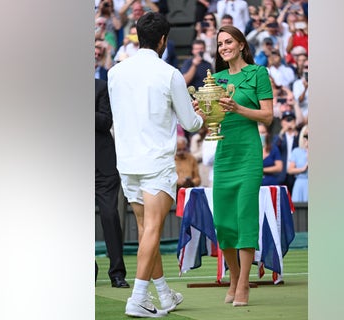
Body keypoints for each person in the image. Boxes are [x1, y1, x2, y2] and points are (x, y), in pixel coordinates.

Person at [107, 12, 206, 318]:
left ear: (138, 36)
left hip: (126, 162)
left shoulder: (114, 72)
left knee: (145, 228)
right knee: (151, 229)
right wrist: (200, 114)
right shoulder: (170, 74)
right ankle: (137, 299)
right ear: (163, 40)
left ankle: (164, 295)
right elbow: (190, 123)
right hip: (156, 164)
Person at [195, 25, 273, 307]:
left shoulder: (258, 73)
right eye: (220, 44)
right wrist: (202, 113)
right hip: (224, 154)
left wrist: (238, 108)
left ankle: (242, 285)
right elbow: (211, 123)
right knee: (224, 222)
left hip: (249, 154)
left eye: (228, 42)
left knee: (245, 217)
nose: (224, 47)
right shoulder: (214, 79)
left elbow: (267, 116)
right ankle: (234, 277)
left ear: (241, 44)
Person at [95, 79, 129, 289]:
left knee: (110, 216)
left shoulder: (101, 86)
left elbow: (105, 122)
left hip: (103, 168)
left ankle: (117, 273)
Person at [273, 110, 300, 193]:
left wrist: (296, 131)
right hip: (282, 173)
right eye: (286, 120)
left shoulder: (298, 136)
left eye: (290, 120)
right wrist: (282, 132)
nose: (288, 122)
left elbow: (302, 146)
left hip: (295, 172)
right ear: (281, 122)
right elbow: (274, 148)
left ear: (295, 121)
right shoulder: (278, 136)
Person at [287, 125, 308, 202]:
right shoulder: (297, 151)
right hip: (300, 183)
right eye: (306, 136)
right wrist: (302, 169)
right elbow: (290, 170)